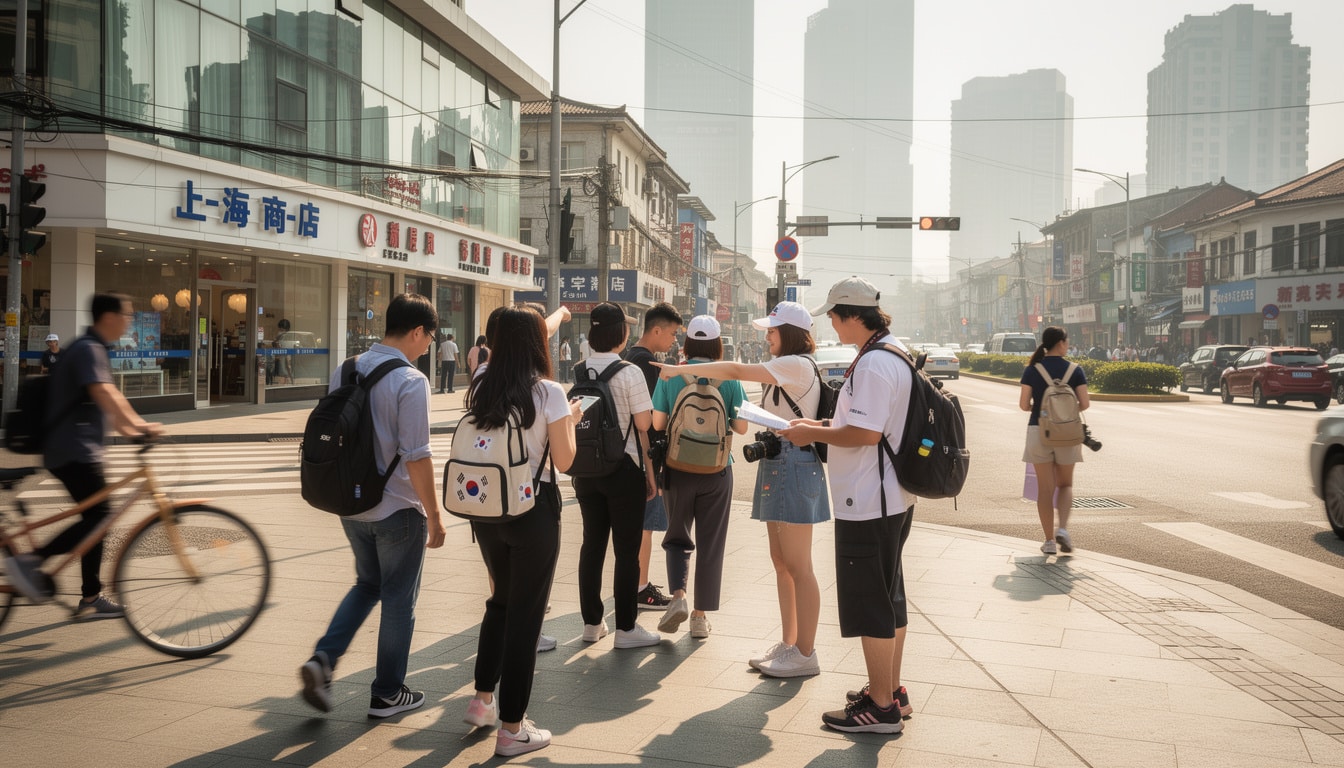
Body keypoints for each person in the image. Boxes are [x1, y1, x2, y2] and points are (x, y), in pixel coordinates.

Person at [656, 301, 830, 678]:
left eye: (773, 330)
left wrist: (679, 370)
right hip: (778, 460)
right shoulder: (787, 365)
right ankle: (789, 644)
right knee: (782, 563)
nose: (767, 337)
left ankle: (805, 652)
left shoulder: (796, 364)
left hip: (794, 463)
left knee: (799, 566)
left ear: (791, 333)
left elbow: (735, 369)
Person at [299, 293, 446, 720]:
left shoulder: (346, 368)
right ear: (417, 331)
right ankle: (387, 693)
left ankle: (323, 659)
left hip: (351, 503)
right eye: (430, 337)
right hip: (398, 509)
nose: (428, 346)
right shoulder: (411, 381)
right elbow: (417, 455)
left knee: (367, 585)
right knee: (399, 599)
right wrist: (435, 517)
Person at [779, 276, 914, 734]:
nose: (832, 325)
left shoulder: (874, 363)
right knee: (890, 597)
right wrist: (820, 425)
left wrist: (809, 432)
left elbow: (865, 434)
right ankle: (891, 691)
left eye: (834, 317)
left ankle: (881, 708)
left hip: (868, 500)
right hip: (891, 496)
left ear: (852, 315)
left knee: (871, 603)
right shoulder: (893, 351)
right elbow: (870, 425)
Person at [461, 305, 583, 757]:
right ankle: (512, 729)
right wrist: (569, 420)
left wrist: (555, 317)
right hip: (533, 508)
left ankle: (482, 699)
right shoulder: (549, 391)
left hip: (487, 509)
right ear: (538, 344)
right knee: (526, 617)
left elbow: (523, 335)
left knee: (500, 603)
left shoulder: (482, 381)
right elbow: (565, 461)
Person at [4, 293, 164, 619]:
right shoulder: (89, 349)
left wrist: (131, 429)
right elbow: (106, 393)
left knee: (96, 520)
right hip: (73, 450)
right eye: (127, 315)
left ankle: (90, 596)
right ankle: (33, 561)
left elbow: (109, 405)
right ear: (109, 317)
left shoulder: (89, 347)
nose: (129, 322)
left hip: (75, 448)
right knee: (100, 518)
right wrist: (141, 426)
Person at [651, 315, 747, 640]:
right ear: (718, 344)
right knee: (711, 544)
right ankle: (699, 618)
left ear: (687, 343)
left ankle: (678, 596)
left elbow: (658, 423)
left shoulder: (671, 374)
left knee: (677, 536)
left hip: (677, 468)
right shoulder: (729, 378)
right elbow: (742, 427)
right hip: (717, 470)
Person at [571, 303, 662, 648]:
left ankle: (592, 624)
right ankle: (626, 628)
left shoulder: (580, 370)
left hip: (587, 469)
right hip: (624, 470)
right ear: (621, 334)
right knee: (626, 550)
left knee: (592, 545)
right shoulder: (629, 372)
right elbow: (643, 426)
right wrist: (650, 474)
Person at [621, 302, 683, 611]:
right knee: (645, 527)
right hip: (645, 457)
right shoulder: (646, 365)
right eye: (672, 334)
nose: (674, 340)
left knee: (637, 527)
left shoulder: (627, 358)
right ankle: (640, 588)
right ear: (656, 330)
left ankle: (633, 584)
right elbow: (649, 419)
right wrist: (652, 469)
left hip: (627, 455)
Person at [1019, 325, 1090, 556]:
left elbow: (1023, 405)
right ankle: (1063, 530)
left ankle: (1049, 541)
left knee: (1045, 489)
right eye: (1067, 342)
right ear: (1060, 343)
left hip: (1038, 431)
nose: (1068, 346)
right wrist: (1064, 413)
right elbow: (1085, 404)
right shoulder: (1075, 370)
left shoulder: (1032, 370)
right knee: (1065, 485)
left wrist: (1043, 410)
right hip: (1068, 433)